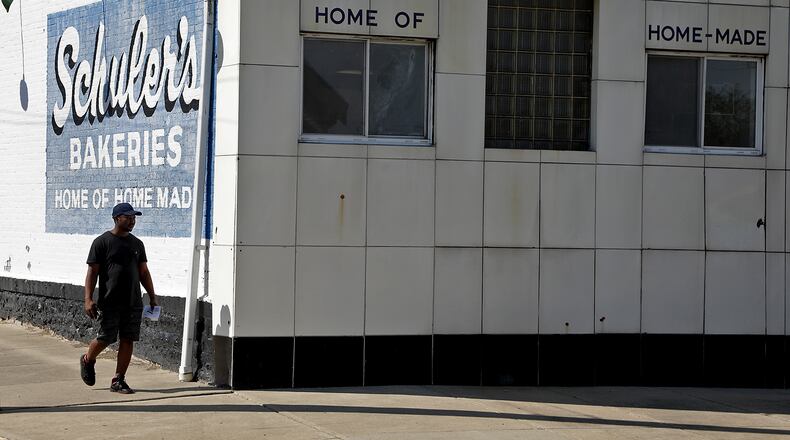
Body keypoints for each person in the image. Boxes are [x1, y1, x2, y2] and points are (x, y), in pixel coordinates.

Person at [79, 202, 158, 394]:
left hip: (133, 302)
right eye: (128, 217)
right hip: (110, 301)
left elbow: (144, 272)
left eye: (134, 218)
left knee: (128, 339)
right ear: (116, 218)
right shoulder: (102, 242)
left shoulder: (137, 244)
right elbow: (92, 272)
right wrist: (88, 299)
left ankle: (118, 379)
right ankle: (88, 359)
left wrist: (152, 297)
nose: (132, 221)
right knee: (106, 337)